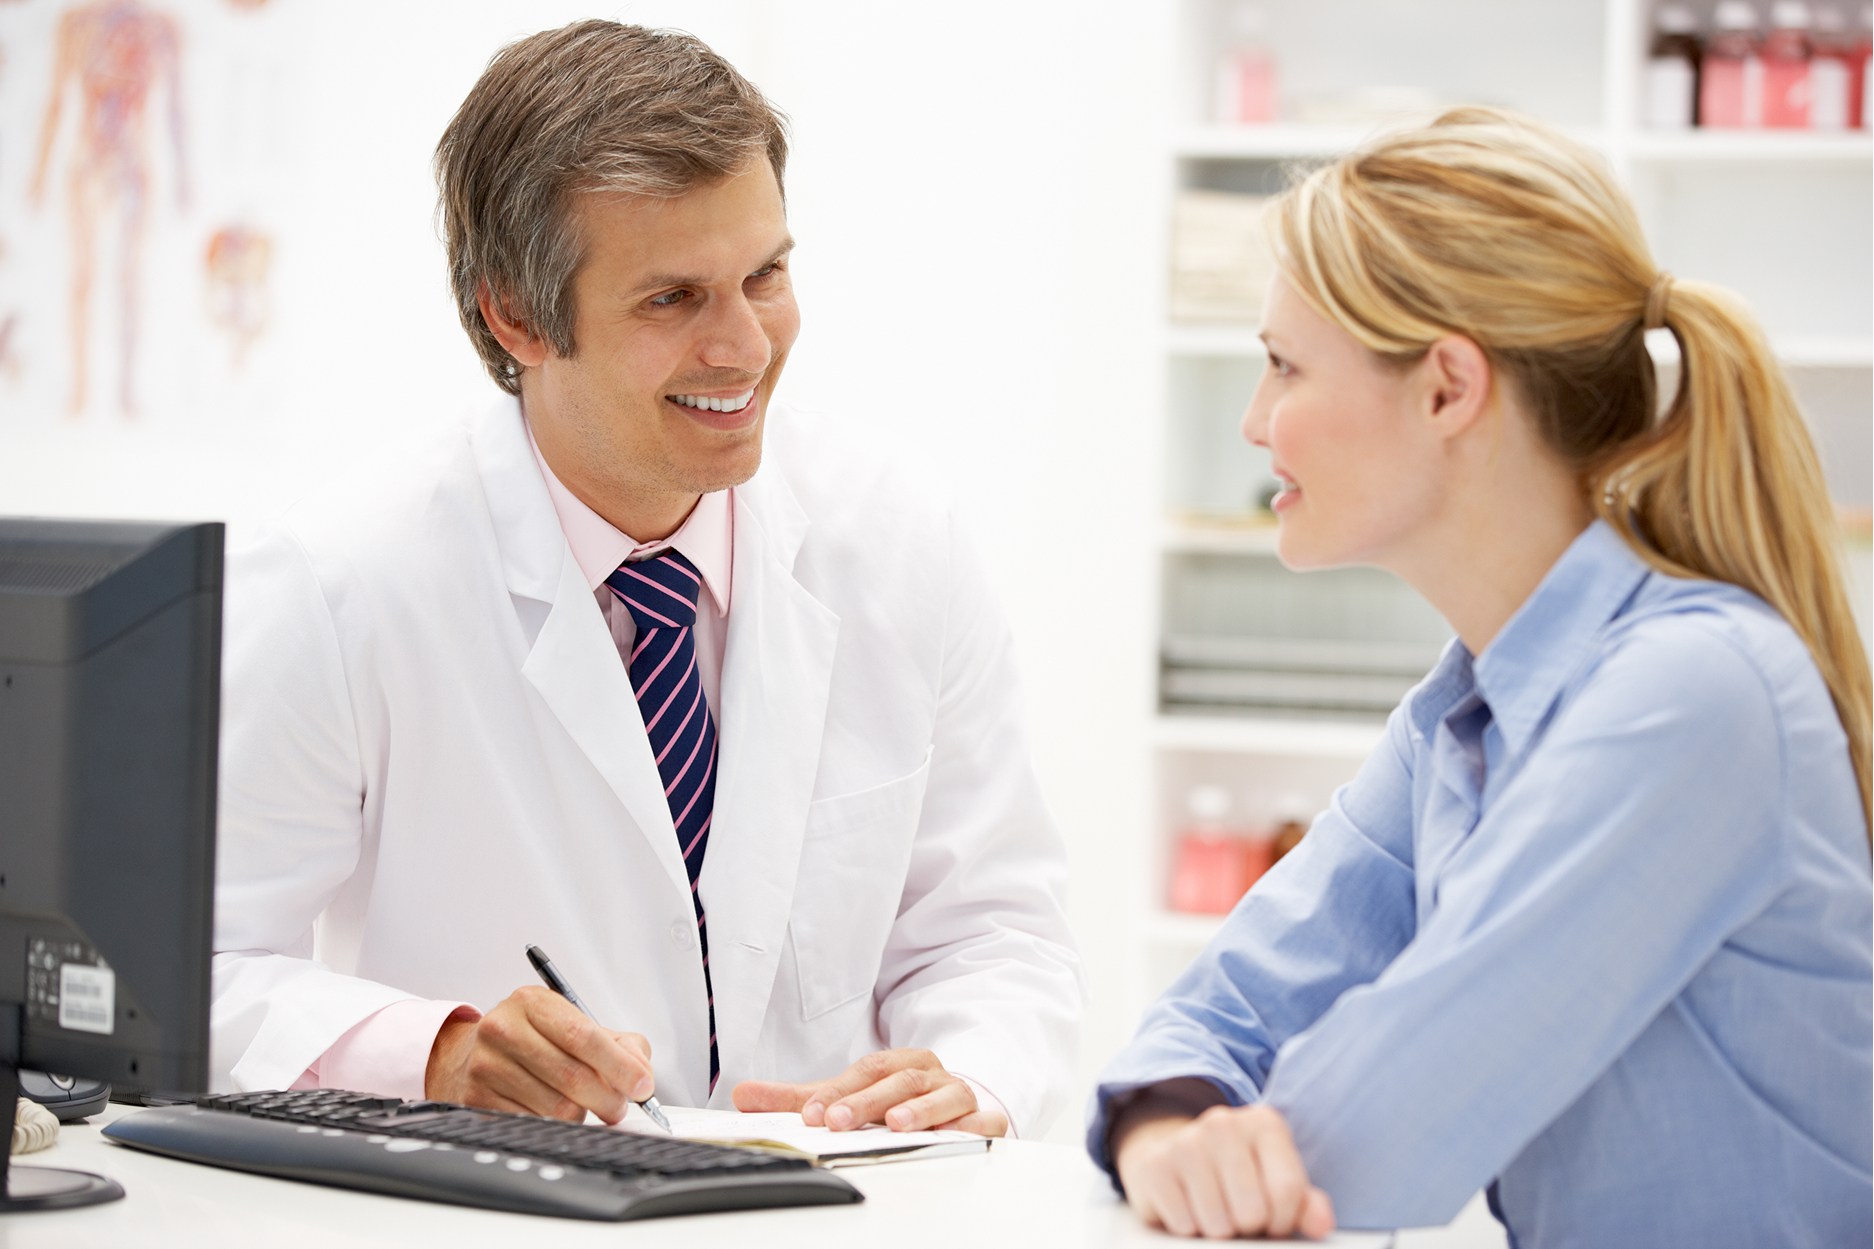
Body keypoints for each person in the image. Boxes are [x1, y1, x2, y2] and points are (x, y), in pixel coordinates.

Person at [211, 21, 1083, 1142]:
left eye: (763, 275)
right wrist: (439, 1051)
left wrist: (970, 1072)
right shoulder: (339, 584)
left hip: (837, 1209)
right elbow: (203, 972)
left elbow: (993, 928)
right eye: (670, 300)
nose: (744, 346)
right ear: (515, 315)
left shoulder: (898, 535)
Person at [1089, 108, 1872, 1247]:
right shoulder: (1460, 716)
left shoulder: (1693, 693)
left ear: (1447, 388)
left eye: (1281, 365)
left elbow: (1372, 1142)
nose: (1255, 420)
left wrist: (1219, 1144)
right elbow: (1218, 1014)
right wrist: (1164, 1127)